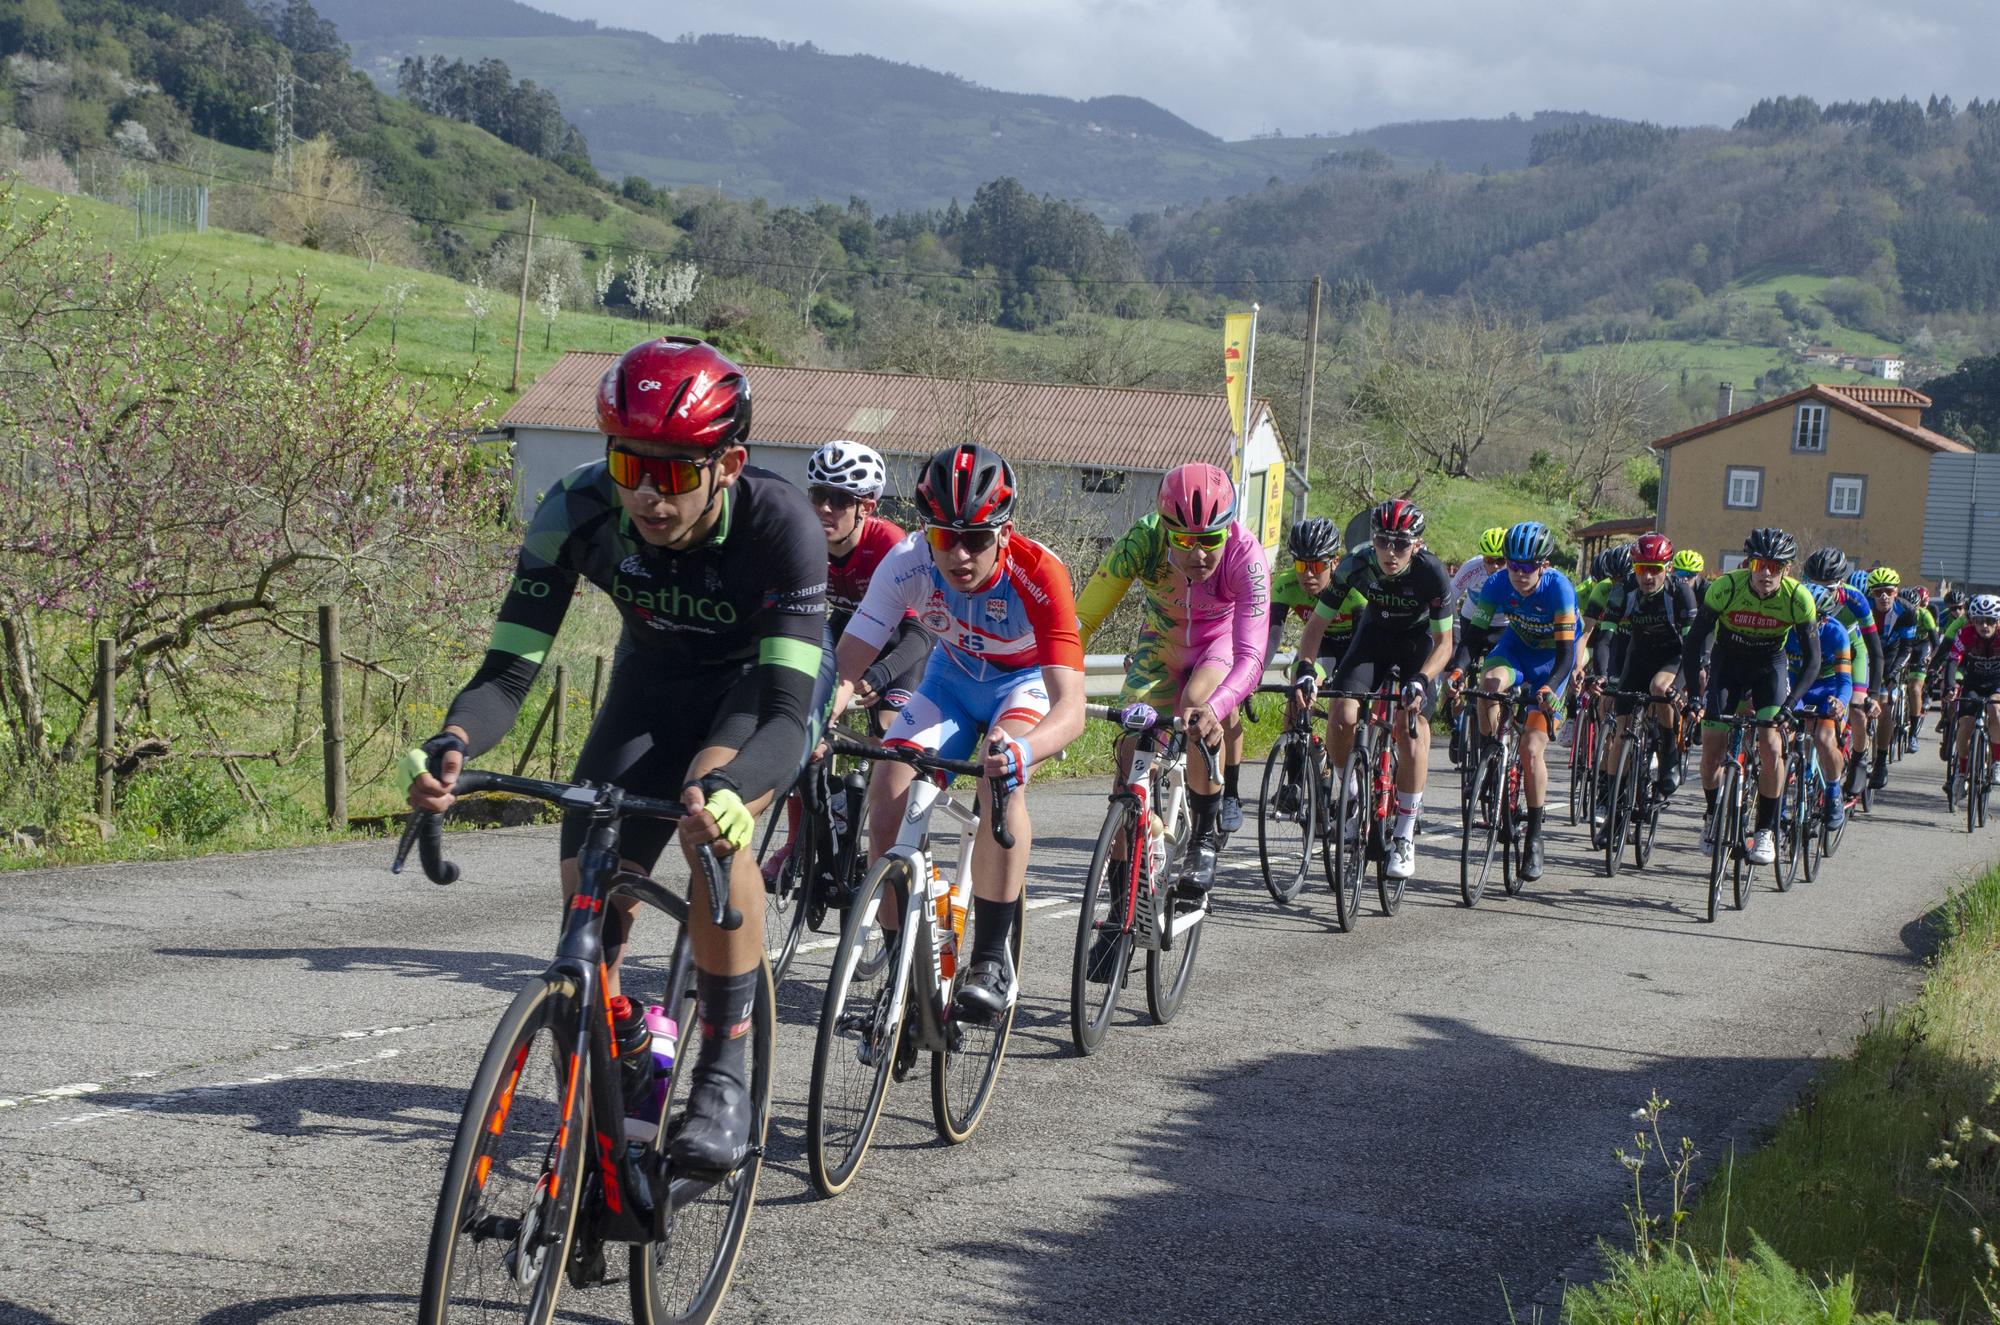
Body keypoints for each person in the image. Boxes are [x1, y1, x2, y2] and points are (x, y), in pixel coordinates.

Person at [403, 336, 829, 1174]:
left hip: (754, 691)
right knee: (585, 900)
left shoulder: (782, 527)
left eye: (674, 473)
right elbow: (506, 673)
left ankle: (722, 1068)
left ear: (730, 462)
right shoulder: (577, 508)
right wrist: (454, 741)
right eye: (628, 462)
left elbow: (785, 712)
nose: (646, 493)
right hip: (653, 679)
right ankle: (619, 1061)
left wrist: (736, 789)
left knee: (710, 812)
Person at [827, 442, 1086, 1019]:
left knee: (999, 781)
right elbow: (848, 665)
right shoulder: (908, 562)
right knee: (889, 787)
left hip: (1021, 686)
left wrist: (1024, 749)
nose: (961, 554)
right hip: (950, 680)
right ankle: (899, 967)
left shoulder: (1040, 572)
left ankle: (992, 956)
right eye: (946, 537)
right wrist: (818, 720)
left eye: (976, 538)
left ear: (1005, 530)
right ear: (927, 532)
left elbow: (1072, 709)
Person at [1074, 463, 1270, 876]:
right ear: (1165, 529)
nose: (1198, 554)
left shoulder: (1245, 555)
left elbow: (1252, 655)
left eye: (1209, 540)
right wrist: (1057, 678)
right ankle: (1116, 910)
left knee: (1197, 703)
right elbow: (1082, 620)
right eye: (1183, 539)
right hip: (1161, 644)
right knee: (1130, 756)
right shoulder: (1142, 540)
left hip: (1218, 647)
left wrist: (1217, 708)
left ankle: (1202, 839)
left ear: (1228, 530)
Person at [1296, 499, 1455, 882]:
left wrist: (1422, 679)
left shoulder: (1432, 573)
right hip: (1374, 637)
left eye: (1401, 544)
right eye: (1383, 541)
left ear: (1417, 544)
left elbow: (1445, 642)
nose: (1390, 552)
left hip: (1419, 644)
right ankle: (1350, 793)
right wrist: (1304, 669)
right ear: (1374, 540)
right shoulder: (1357, 562)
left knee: (1410, 727)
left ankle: (1403, 834)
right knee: (1342, 712)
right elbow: (1317, 623)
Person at [1680, 528, 1818, 865]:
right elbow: (1694, 643)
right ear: (1749, 563)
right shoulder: (1726, 587)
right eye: (1760, 564)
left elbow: (1814, 660)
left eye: (1775, 565)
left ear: (1786, 569)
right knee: (1712, 747)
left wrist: (1788, 706)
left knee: (1771, 747)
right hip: (1728, 665)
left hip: (1768, 668)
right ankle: (1713, 814)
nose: (1766, 573)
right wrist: (1695, 695)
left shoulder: (1798, 598)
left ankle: (1767, 830)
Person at [1462, 521, 1581, 882]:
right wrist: (1455, 671)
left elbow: (1565, 655)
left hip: (1552, 665)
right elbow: (1472, 639)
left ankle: (1534, 836)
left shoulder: (1559, 589)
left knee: (1531, 750)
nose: (1518, 573)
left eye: (1527, 566)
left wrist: (1550, 689)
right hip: (1514, 651)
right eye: (1513, 564)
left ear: (1543, 566)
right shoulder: (1497, 583)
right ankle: (1490, 753)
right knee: (1489, 683)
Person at [808, 439, 930, 734]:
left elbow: (921, 632)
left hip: (901, 638)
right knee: (806, 711)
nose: (825, 508)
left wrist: (882, 673)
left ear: (867, 506)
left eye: (839, 499)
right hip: (849, 626)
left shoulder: (889, 545)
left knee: (888, 729)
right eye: (818, 494)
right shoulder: (805, 539)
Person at [1590, 531, 1698, 824]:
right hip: (1637, 656)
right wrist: (1602, 675)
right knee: (1621, 729)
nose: (1648, 577)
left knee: (1660, 688)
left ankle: (1669, 752)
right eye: (1642, 570)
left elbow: (1692, 648)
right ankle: (1612, 805)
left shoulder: (1680, 593)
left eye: (1655, 570)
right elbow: (1604, 639)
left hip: (1672, 656)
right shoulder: (1622, 590)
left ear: (1669, 569)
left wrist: (1679, 687)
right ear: (1634, 568)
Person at [1803, 547, 1884, 801]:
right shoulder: (1799, 596)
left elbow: (1875, 649)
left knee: (1858, 709)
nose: (1819, 591)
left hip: (1850, 651)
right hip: (1815, 654)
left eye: (1827, 586)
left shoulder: (1855, 598)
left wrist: (1872, 694)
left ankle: (1859, 758)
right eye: (1813, 584)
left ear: (1840, 583)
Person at [1789, 582, 1856, 831]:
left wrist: (1841, 701)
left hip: (1829, 690)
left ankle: (1833, 789)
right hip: (1799, 689)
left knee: (1825, 738)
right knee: (1782, 733)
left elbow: (1845, 680)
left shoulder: (1836, 632)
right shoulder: (1786, 629)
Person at [1443, 527, 1509, 764]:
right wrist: (1447, 633)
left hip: (1502, 626)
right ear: (1483, 558)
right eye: (1490, 561)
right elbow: (1449, 596)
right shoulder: (1471, 568)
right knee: (1454, 668)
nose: (1495, 567)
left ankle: (1497, 728)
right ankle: (1457, 725)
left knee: (1495, 681)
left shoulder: (1513, 574)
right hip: (1472, 621)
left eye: (1501, 560)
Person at [1941, 594, 2000, 795]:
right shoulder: (1964, 634)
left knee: (1995, 710)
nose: (1985, 626)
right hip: (1973, 683)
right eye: (1979, 621)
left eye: (1991, 621)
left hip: (1997, 683)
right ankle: (1962, 772)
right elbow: (1952, 660)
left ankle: (1997, 762)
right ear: (1972, 621)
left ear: (1998, 621)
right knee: (1964, 726)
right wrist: (1950, 686)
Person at [1864, 567, 1916, 788]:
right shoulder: (1863, 607)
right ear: (1871, 594)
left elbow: (1907, 648)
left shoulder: (1907, 611)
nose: (1883, 596)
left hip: (1891, 656)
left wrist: (1893, 674)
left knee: (1884, 709)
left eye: (1888, 591)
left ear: (1896, 592)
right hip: (1866, 655)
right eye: (1878, 592)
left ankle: (1881, 761)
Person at [1904, 586, 1938, 753]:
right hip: (1904, 646)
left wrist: (1930, 659)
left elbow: (1936, 642)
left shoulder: (1925, 615)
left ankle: (1912, 736)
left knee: (1914, 687)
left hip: (1921, 647)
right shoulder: (1897, 613)